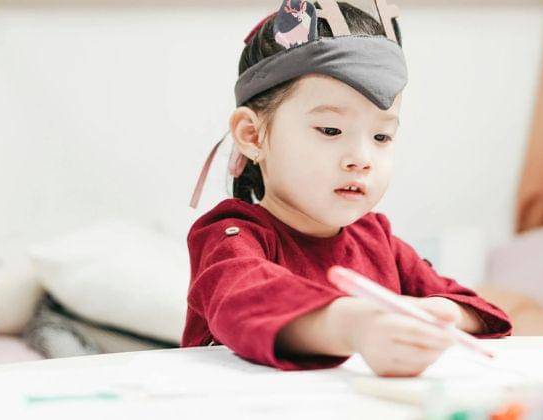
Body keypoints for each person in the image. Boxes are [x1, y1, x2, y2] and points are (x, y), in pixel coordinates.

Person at [182, 0, 511, 377]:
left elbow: (482, 312)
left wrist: (437, 313)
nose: (361, 158)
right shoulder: (228, 236)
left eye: (381, 136)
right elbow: (243, 300)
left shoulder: (377, 239)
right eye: (331, 130)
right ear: (252, 135)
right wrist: (355, 326)